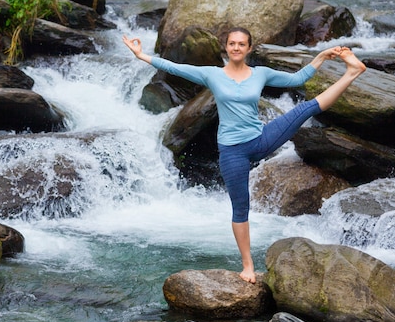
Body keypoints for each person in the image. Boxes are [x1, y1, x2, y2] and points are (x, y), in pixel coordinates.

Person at [123, 27, 366, 284]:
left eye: (241, 44)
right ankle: (247, 265)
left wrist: (321, 57)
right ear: (226, 48)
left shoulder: (260, 74)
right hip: (232, 151)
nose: (236, 47)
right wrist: (142, 55)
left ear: (249, 48)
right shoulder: (212, 75)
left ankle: (352, 72)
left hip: (261, 139)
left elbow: (297, 80)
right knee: (241, 208)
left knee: (305, 109)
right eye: (232, 43)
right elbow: (175, 67)